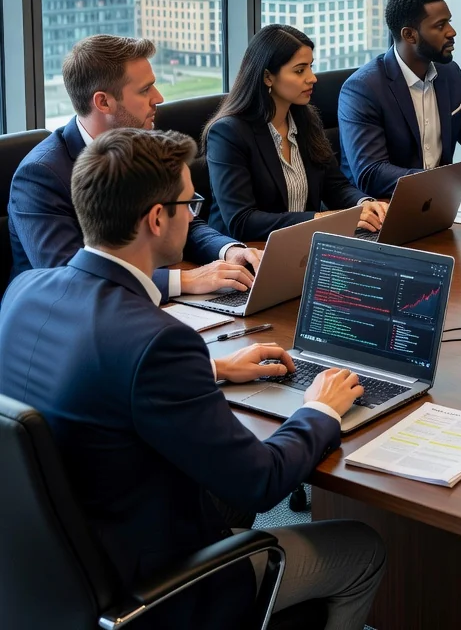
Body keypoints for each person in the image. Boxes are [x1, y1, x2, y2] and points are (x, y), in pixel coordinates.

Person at [0, 128, 384, 629]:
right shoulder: (157, 340)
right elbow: (260, 482)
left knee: (214, 489)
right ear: (157, 218)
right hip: (146, 591)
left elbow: (93, 377)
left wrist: (214, 368)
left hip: (50, 575)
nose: (194, 214)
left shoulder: (22, 290)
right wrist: (321, 408)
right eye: (190, 202)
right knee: (362, 548)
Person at [8, 34, 259, 298]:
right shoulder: (40, 175)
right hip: (64, 323)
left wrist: (229, 251)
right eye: (144, 89)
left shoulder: (142, 142)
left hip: (141, 303)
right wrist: (183, 281)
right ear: (103, 102)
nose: (159, 98)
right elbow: (69, 275)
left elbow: (182, 218)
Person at [205, 25, 387, 243]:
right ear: (267, 77)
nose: (312, 78)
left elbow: (335, 186)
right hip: (247, 256)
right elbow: (242, 221)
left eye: (311, 67)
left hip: (302, 246)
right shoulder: (228, 133)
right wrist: (320, 219)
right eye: (300, 70)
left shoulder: (306, 120)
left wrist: (363, 204)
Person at [338, 0, 461, 199]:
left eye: (449, 22)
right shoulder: (363, 89)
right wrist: (456, 180)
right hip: (382, 209)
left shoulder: (449, 74)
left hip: (442, 204)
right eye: (440, 25)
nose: (452, 32)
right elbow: (372, 173)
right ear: (409, 35)